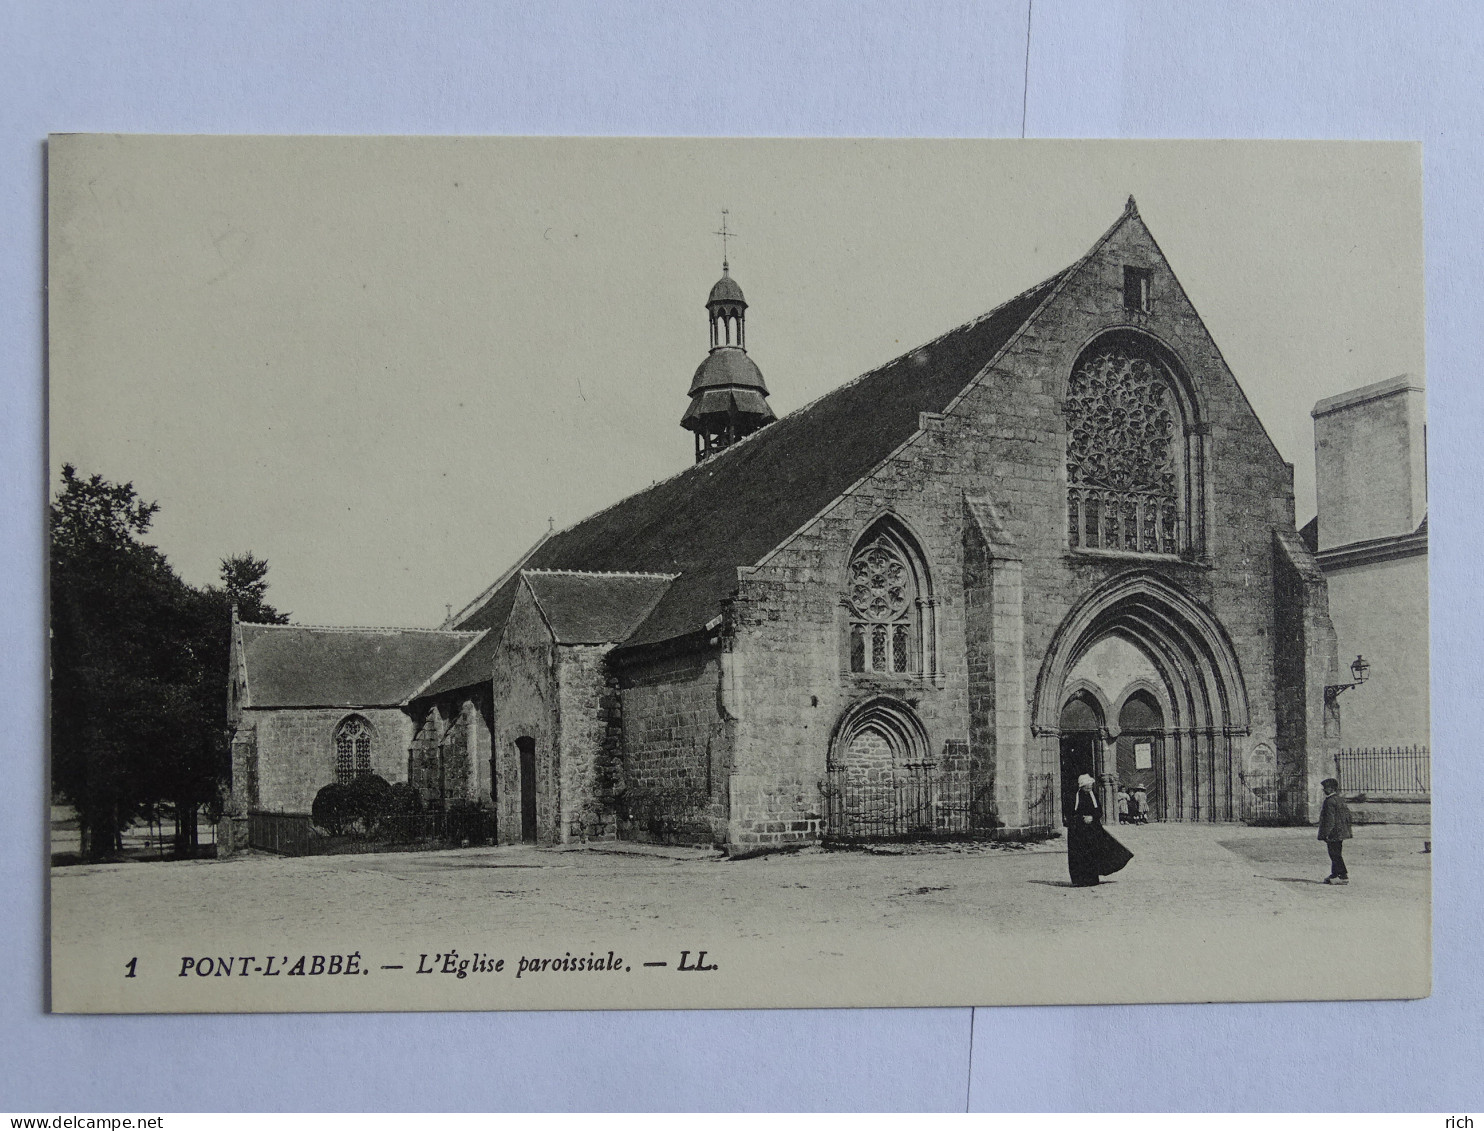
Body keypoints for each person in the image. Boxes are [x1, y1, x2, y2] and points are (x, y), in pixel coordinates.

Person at [1066, 773, 1133, 887]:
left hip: (1092, 829)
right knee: (1080, 854)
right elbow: (1070, 813)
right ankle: (1080, 879)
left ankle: (1092, 878)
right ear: (1082, 786)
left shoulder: (1094, 795)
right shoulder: (1074, 797)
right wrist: (1082, 818)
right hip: (1078, 830)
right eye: (1087, 786)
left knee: (1093, 853)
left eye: (1090, 785)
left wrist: (1092, 817)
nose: (1089, 787)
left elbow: (1099, 811)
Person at [1318, 776, 1353, 885]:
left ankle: (1343, 876)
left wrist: (1326, 834)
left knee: (1334, 854)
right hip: (1340, 832)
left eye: (1326, 788)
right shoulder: (1340, 799)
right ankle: (1334, 874)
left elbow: (1329, 820)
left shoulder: (1329, 802)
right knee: (1336, 852)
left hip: (1333, 833)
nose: (1324, 790)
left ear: (1332, 789)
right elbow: (1348, 816)